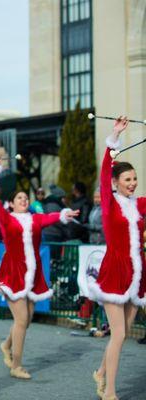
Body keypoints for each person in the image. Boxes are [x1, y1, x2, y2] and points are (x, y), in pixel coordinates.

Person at [0, 156, 78, 379]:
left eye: (26, 197)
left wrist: (64, 214)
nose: (24, 199)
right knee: (21, 319)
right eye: (19, 197)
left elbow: (50, 217)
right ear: (12, 203)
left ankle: (6, 345)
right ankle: (17, 365)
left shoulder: (35, 219)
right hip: (13, 272)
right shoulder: (6, 219)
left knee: (26, 321)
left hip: (33, 273)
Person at [90, 117, 146, 400]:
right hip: (114, 271)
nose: (133, 184)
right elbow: (104, 172)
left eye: (135, 179)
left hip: (137, 275)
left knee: (122, 334)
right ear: (115, 183)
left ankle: (101, 373)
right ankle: (109, 391)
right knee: (120, 334)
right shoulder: (110, 202)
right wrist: (114, 137)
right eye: (127, 180)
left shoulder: (139, 205)